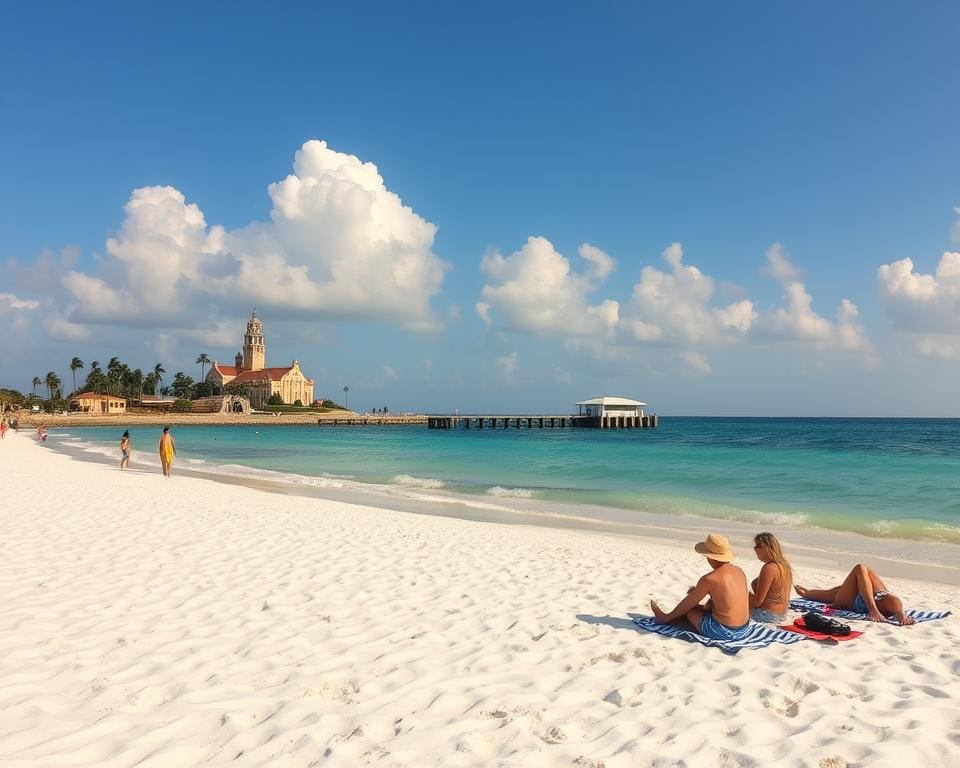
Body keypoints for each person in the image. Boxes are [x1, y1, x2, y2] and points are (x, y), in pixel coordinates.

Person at [650, 532, 751, 640]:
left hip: (725, 632)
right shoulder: (739, 571)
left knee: (689, 611)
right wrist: (698, 592)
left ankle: (666, 618)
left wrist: (667, 617)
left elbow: (687, 604)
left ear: (710, 557)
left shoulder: (710, 578)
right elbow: (726, 599)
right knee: (698, 605)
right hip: (744, 628)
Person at [795, 563, 915, 625]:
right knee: (862, 571)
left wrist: (900, 614)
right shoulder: (888, 599)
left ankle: (807, 594)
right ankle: (808, 593)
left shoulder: (893, 603)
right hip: (864, 594)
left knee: (860, 568)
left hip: (855, 603)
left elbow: (895, 604)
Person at [748, 532, 793, 623]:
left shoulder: (769, 568)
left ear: (764, 549)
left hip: (767, 615)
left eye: (757, 547)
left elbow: (757, 602)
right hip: (781, 614)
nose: (754, 550)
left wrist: (743, 595)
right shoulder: (785, 566)